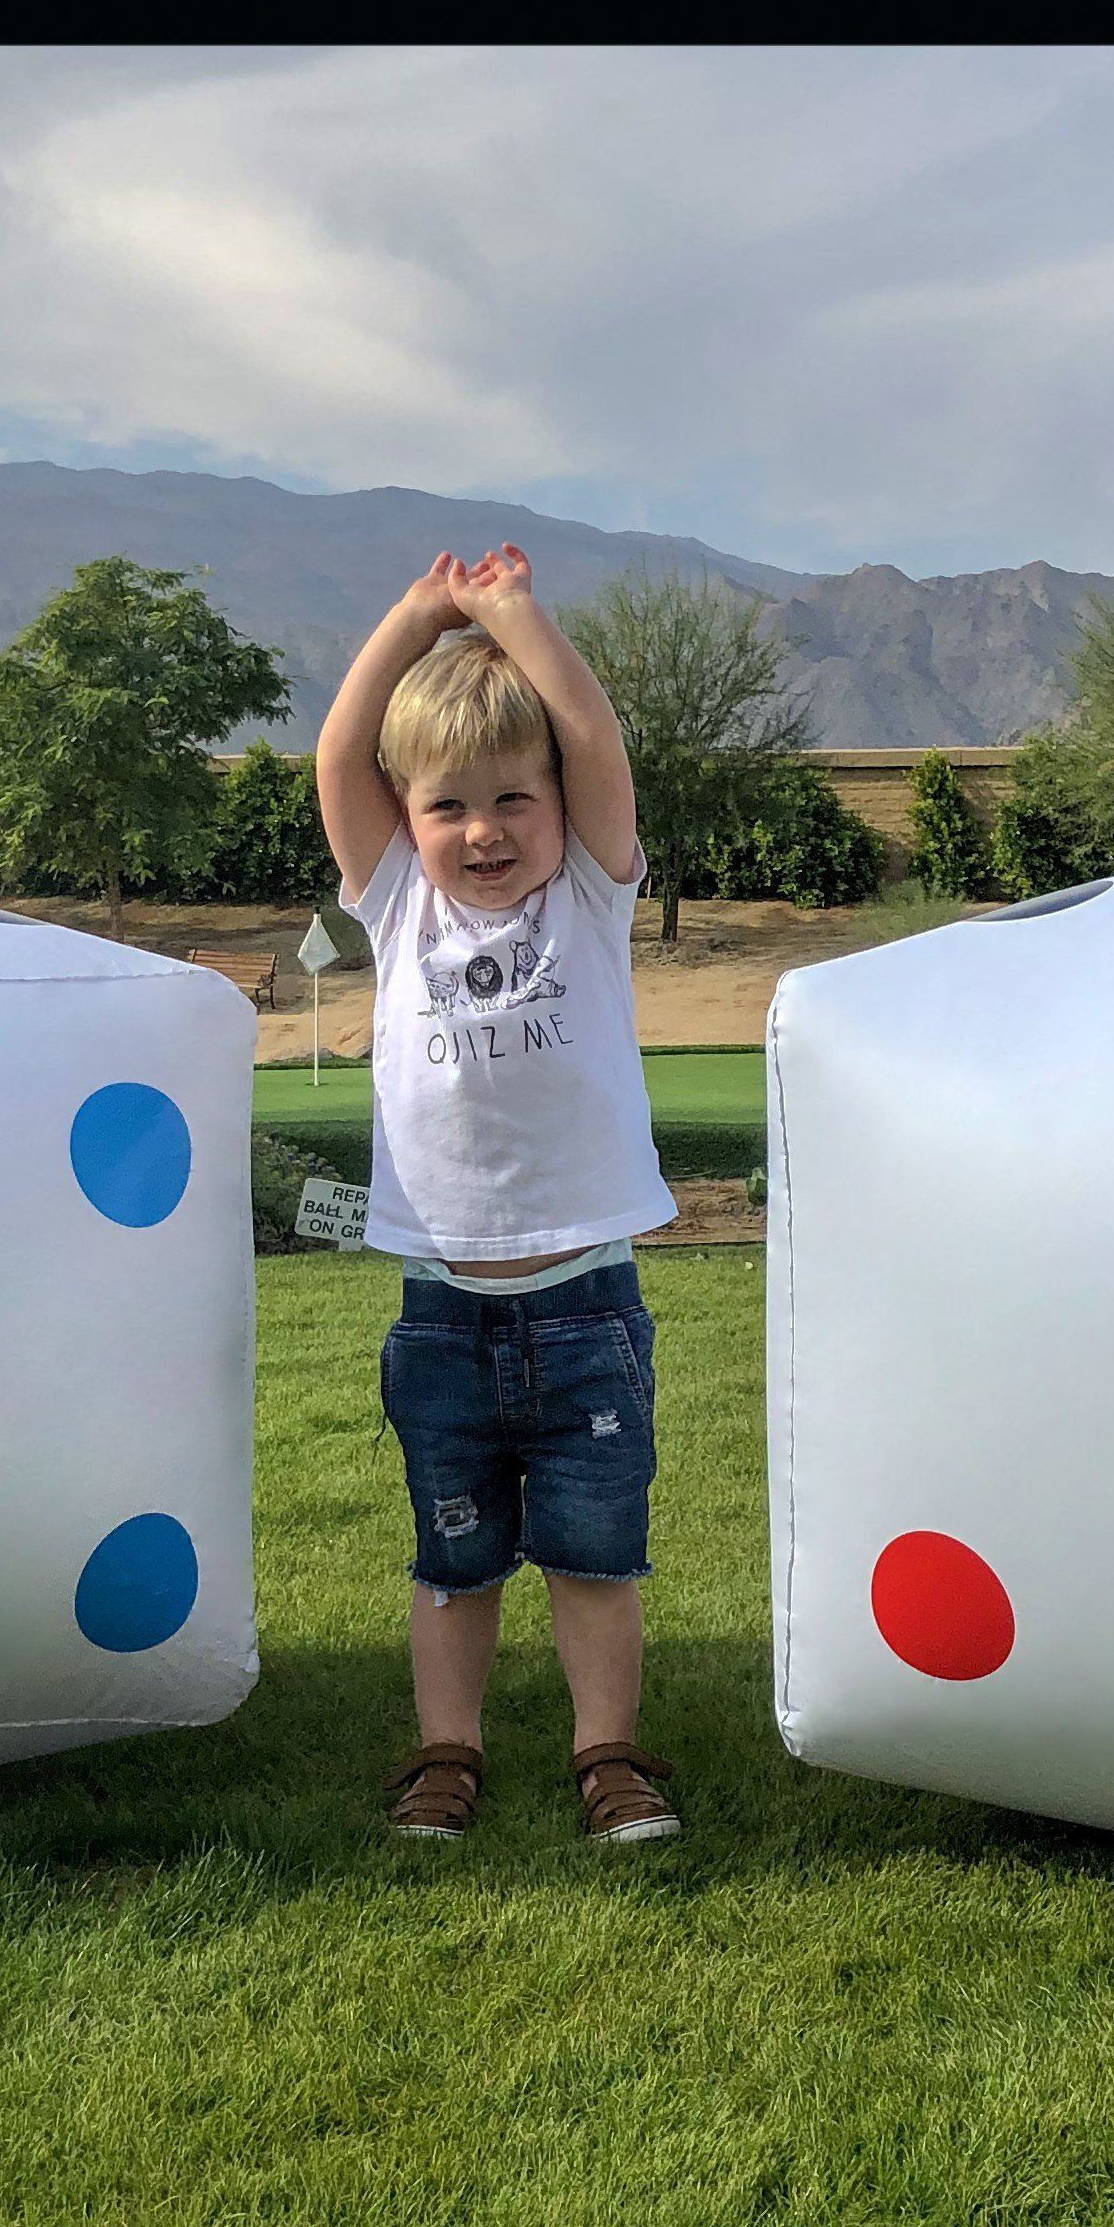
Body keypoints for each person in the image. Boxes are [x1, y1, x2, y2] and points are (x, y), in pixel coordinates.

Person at [315, 544, 683, 1845]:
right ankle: (446, 1756)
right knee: (454, 1562)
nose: (483, 830)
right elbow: (340, 753)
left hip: (587, 1311)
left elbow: (593, 739)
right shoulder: (394, 902)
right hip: (443, 1322)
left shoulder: (589, 894)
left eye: (514, 799)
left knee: (594, 1560)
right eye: (451, 804)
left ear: (558, 805)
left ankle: (609, 1757)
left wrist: (516, 620)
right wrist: (417, 614)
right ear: (407, 818)